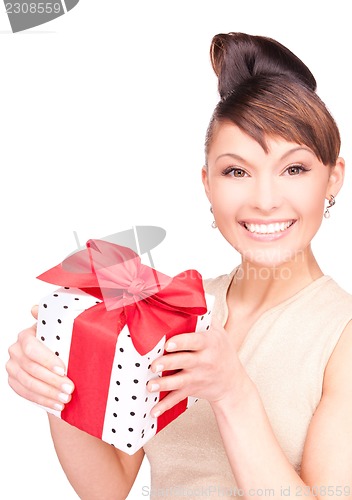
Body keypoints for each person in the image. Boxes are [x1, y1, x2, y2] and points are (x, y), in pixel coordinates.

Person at [6, 32, 352, 499]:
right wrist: (58, 379)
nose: (265, 200)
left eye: (294, 169)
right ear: (207, 184)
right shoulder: (174, 306)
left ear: (333, 178)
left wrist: (233, 393)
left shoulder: (342, 336)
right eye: (237, 171)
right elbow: (108, 487)